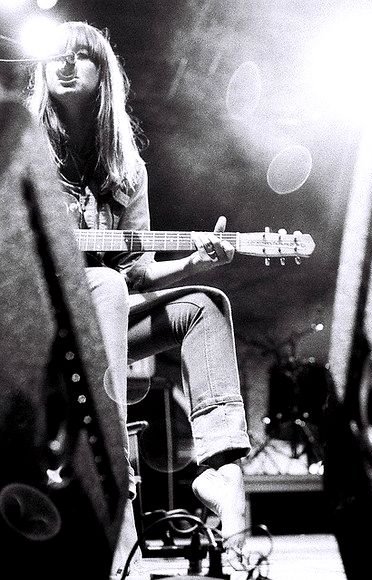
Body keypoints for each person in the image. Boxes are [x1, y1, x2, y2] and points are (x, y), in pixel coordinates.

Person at [27, 20, 251, 579]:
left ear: (104, 75)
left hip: (107, 316)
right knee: (103, 284)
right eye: (59, 54)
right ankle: (118, 483)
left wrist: (194, 263)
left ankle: (218, 466)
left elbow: (137, 271)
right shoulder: (19, 153)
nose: (69, 63)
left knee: (204, 304)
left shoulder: (127, 170)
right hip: (36, 323)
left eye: (84, 55)